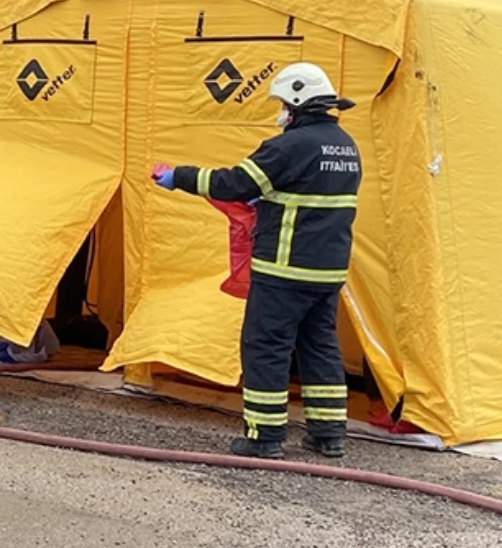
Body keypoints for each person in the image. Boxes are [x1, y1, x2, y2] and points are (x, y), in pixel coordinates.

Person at [153, 62, 361, 460]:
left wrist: (178, 175)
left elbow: (233, 183)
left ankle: (264, 436)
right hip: (328, 269)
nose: (280, 112)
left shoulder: (289, 145)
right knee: (319, 345)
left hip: (284, 268)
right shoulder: (345, 144)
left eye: (283, 103)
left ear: (298, 101)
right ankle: (328, 433)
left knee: (266, 346)